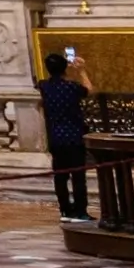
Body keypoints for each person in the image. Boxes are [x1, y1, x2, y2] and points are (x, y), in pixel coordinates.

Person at [40, 46, 95, 220]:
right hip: (73, 136)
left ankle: (65, 209)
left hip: (55, 137)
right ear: (65, 68)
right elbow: (89, 90)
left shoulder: (43, 87)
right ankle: (80, 211)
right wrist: (81, 71)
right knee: (78, 177)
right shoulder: (71, 87)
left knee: (60, 177)